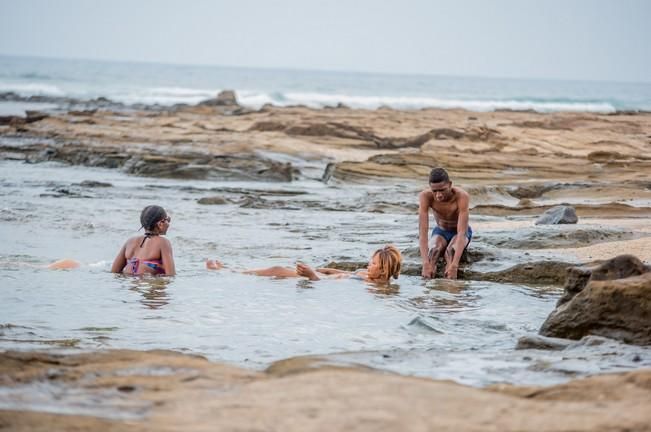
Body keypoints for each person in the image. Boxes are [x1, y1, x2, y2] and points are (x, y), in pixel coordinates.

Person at [206, 244, 402, 284]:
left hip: (321, 281)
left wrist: (312, 276)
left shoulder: (375, 287)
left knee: (277, 270)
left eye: (373, 263)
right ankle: (231, 270)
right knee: (277, 271)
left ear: (384, 269)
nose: (369, 264)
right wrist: (324, 269)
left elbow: (332, 284)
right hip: (323, 276)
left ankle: (227, 272)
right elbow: (343, 272)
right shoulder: (366, 275)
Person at [418, 167, 471, 280]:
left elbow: (462, 233)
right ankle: (430, 294)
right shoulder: (425, 196)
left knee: (450, 252)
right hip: (440, 231)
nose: (438, 195)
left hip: (459, 233)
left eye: (442, 190)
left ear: (450, 184)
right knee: (433, 253)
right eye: (435, 191)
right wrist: (425, 264)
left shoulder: (461, 196)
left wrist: (454, 266)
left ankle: (451, 293)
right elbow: (423, 234)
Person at [111, 205, 176, 276]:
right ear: (160, 223)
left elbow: (114, 271)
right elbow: (171, 275)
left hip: (131, 284)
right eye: (168, 220)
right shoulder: (163, 243)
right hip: (149, 284)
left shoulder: (130, 242)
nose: (168, 223)